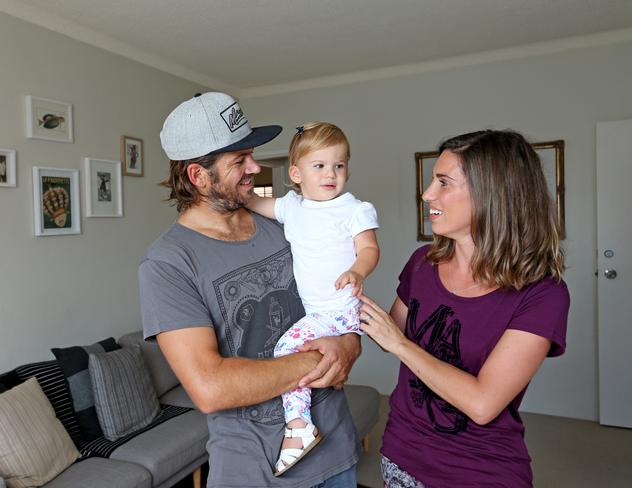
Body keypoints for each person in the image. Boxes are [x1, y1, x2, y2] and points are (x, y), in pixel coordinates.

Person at [138, 92, 361, 488]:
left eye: (250, 154)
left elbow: (340, 300)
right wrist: (324, 358)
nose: (255, 167)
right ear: (198, 176)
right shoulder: (169, 264)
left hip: (337, 452)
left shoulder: (286, 225)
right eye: (239, 160)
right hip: (254, 472)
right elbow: (210, 388)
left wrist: (349, 343)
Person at [358, 130, 570, 487]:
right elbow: (391, 332)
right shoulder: (423, 262)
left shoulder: (543, 295)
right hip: (401, 452)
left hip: (478, 469)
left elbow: (483, 403)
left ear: (493, 194)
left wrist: (398, 344)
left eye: (443, 182)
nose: (427, 194)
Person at [247, 122, 380, 475]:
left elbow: (369, 248)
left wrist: (358, 271)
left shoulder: (354, 208)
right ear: (296, 174)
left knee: (285, 349)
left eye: (339, 165)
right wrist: (236, 193)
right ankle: (310, 408)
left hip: (339, 308)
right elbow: (254, 202)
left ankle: (298, 427)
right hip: (319, 311)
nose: (331, 174)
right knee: (310, 355)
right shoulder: (293, 207)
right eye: (319, 166)